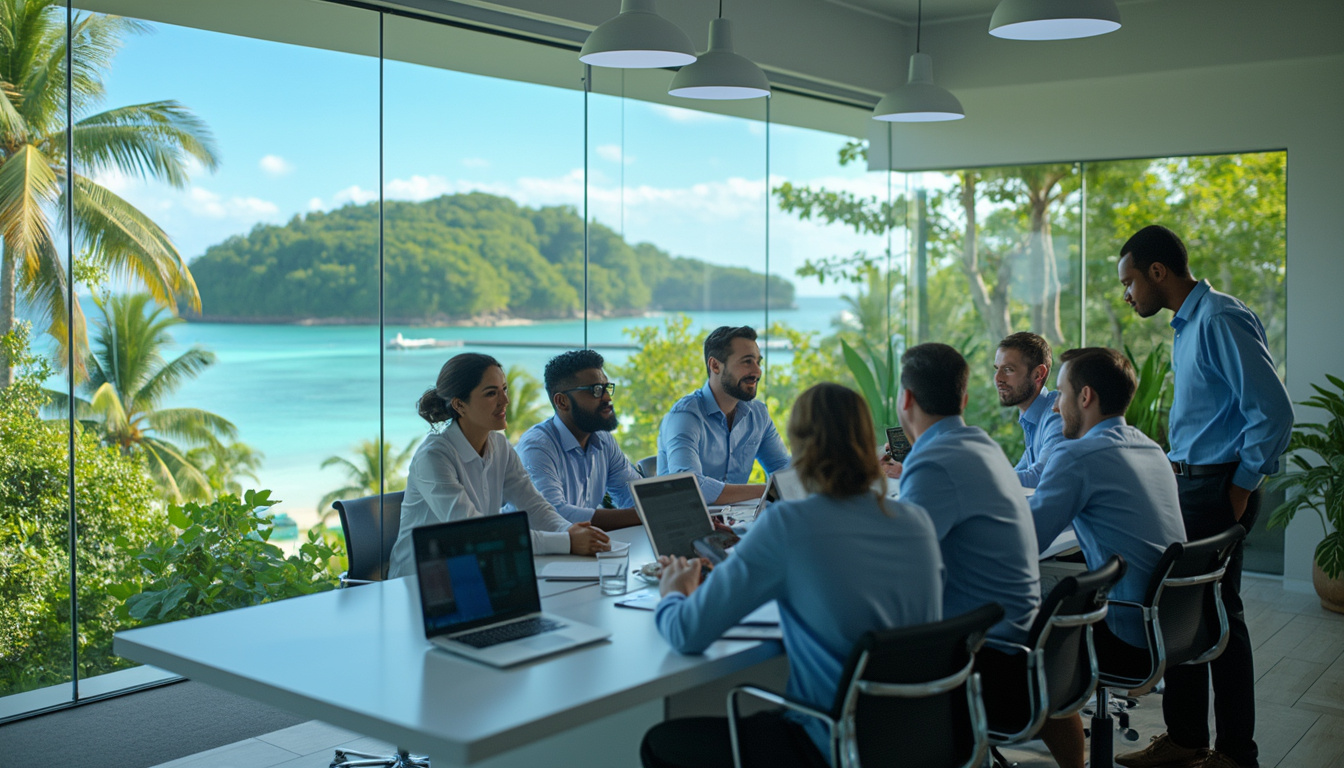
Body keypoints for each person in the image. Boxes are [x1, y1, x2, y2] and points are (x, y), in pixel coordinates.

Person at [641, 382, 944, 767]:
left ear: (801, 445)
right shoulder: (916, 520)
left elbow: (686, 633)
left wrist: (674, 592)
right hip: (922, 734)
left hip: (830, 740)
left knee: (661, 742)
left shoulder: (790, 524)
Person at [1114, 225, 1293, 768]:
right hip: (1192, 482)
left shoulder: (1218, 318)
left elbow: (1274, 413)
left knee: (1219, 619)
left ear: (1158, 272)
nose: (1127, 295)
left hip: (1218, 487)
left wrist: (1239, 486)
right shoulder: (1189, 324)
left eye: (1129, 282)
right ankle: (1187, 740)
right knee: (1185, 614)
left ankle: (1237, 754)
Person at [879, 343, 1051, 763]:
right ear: (965, 399)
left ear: (906, 400)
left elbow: (895, 562)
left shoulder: (935, 461)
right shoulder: (982, 445)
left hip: (989, 659)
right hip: (1022, 644)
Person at [1028, 347, 1187, 768]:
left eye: (1060, 393)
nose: (1056, 404)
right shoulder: (1150, 447)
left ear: (1085, 397)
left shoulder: (1077, 454)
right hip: (1174, 624)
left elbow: (1028, 538)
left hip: (1127, 633)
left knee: (1007, 626)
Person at [387, 353, 610, 579]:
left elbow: (533, 505)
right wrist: (567, 541)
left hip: (473, 572)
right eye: (491, 393)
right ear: (459, 405)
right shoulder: (433, 457)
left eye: (504, 389)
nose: (505, 400)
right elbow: (476, 533)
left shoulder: (499, 446)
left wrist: (568, 530)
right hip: (416, 582)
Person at [657, 326, 790, 505]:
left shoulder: (758, 414)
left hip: (738, 524)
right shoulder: (685, 417)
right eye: (747, 362)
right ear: (715, 365)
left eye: (758, 362)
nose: (757, 371)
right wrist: (768, 491)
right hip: (687, 526)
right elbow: (688, 487)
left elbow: (784, 471)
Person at [516, 349, 643, 530]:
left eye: (606, 388)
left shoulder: (603, 440)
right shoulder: (537, 447)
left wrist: (647, 508)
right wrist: (641, 514)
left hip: (582, 550)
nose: (607, 397)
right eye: (595, 390)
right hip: (542, 553)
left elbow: (636, 495)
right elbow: (552, 514)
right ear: (561, 402)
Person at [995, 331, 1066, 488]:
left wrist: (978, 481)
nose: (997, 378)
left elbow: (1041, 477)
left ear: (1038, 374)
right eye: (997, 368)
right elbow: (1019, 473)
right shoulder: (1033, 418)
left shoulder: (1056, 416)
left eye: (1008, 369)